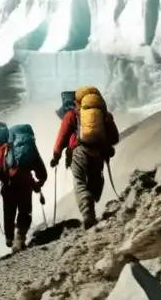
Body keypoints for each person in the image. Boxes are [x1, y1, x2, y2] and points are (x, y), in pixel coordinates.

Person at [51, 86, 120, 228]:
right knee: (95, 179)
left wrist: (56, 155)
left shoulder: (72, 114)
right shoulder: (103, 114)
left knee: (79, 181)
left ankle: (88, 213)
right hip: (98, 154)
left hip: (79, 152)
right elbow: (114, 138)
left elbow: (62, 136)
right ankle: (91, 208)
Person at [0, 123, 47, 251]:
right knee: (25, 211)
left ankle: (9, 238)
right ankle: (20, 238)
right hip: (25, 185)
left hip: (8, 187)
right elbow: (39, 169)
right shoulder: (29, 147)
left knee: (9, 212)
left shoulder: (1, 149)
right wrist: (38, 183)